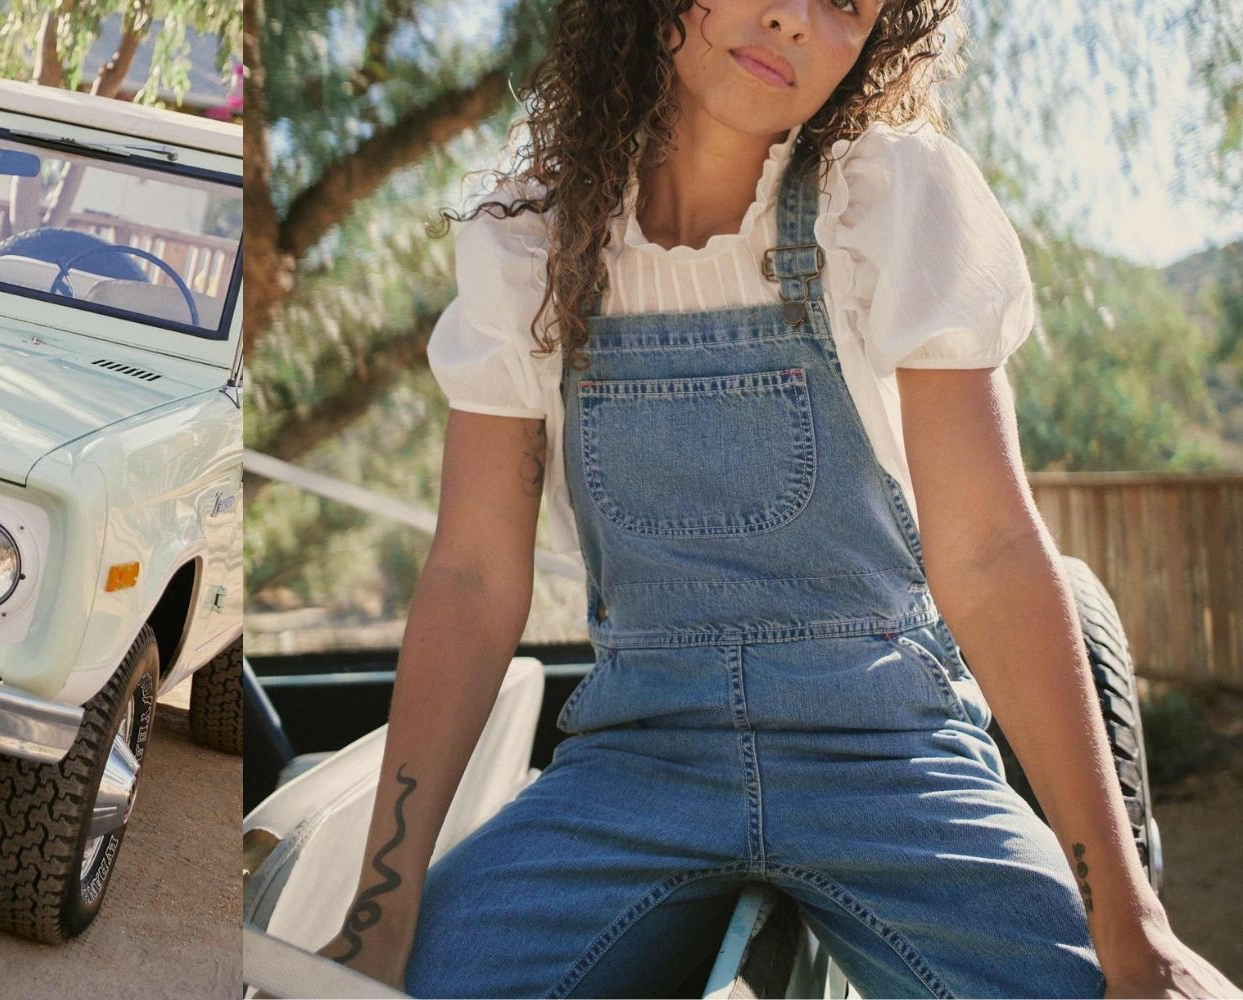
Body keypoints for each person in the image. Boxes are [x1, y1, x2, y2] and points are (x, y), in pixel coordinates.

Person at [320, 1, 1242, 997]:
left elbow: (991, 557)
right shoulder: (530, 239)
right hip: (634, 765)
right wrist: (382, 905)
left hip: (890, 756)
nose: (792, 18)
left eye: (845, 2)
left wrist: (1132, 921)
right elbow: (470, 576)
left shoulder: (887, 199)